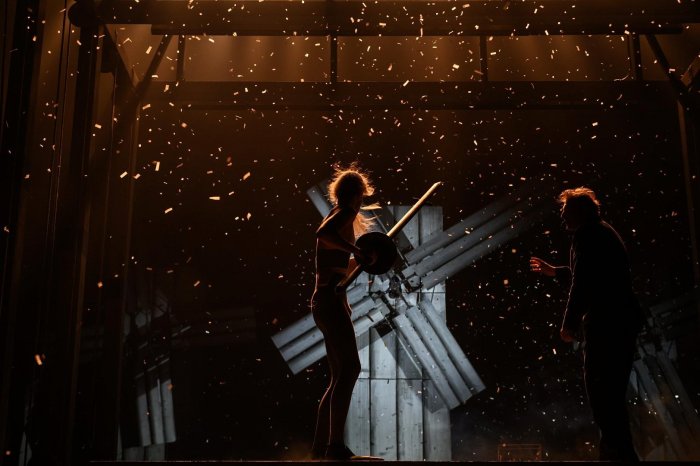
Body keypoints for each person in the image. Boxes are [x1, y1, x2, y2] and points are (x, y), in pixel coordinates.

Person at [530, 187, 643, 462]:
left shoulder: (586, 236)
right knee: (611, 396)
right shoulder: (602, 232)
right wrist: (557, 272)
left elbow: (583, 283)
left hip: (607, 326)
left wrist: (568, 323)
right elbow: (594, 277)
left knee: (602, 394)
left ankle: (618, 456)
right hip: (622, 323)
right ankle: (619, 455)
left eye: (565, 211)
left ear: (579, 212)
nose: (562, 217)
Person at [310, 164, 378, 460]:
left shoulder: (337, 214)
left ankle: (320, 448)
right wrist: (358, 251)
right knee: (350, 369)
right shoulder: (345, 213)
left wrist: (361, 260)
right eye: (361, 196)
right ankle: (334, 446)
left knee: (339, 375)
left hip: (326, 300)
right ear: (357, 194)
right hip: (329, 301)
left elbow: (337, 264)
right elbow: (322, 234)